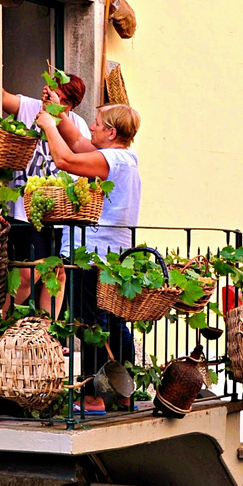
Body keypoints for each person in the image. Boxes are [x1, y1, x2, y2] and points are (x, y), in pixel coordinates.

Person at [36, 94, 141, 413]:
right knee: (113, 322)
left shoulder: (111, 161)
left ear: (111, 132)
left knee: (90, 323)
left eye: (97, 124)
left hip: (92, 252)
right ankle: (123, 392)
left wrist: (47, 126)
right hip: (113, 252)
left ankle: (95, 397)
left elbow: (65, 159)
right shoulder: (122, 158)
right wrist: (57, 109)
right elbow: (79, 141)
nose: (91, 128)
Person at [1, 74, 89, 313]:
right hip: (24, 212)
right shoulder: (29, 106)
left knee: (57, 274)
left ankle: (46, 336)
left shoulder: (77, 125)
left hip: (57, 216)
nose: (53, 97)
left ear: (70, 105)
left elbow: (80, 158)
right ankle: (5, 325)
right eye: (53, 91)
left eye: (60, 96)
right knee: (26, 275)